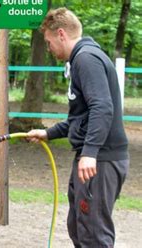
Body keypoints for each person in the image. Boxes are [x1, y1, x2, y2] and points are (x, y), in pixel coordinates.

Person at [26, 7, 130, 247]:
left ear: (61, 34)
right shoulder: (82, 59)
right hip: (94, 159)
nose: (49, 49)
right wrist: (48, 133)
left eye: (49, 42)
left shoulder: (86, 59)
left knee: (93, 235)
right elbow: (82, 117)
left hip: (100, 161)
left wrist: (90, 153)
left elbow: (102, 108)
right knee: (80, 227)